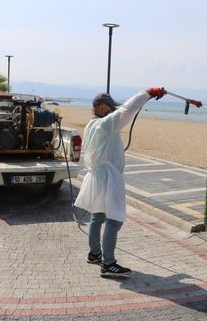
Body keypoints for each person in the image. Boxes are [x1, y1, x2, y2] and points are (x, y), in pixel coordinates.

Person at [74, 87, 166, 277]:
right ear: (100, 108)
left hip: (98, 175)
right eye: (109, 107)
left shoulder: (91, 125)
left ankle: (95, 253)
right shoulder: (105, 125)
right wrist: (147, 93)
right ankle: (108, 263)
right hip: (109, 177)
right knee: (114, 219)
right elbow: (127, 109)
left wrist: (146, 97)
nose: (113, 110)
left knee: (97, 216)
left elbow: (123, 111)